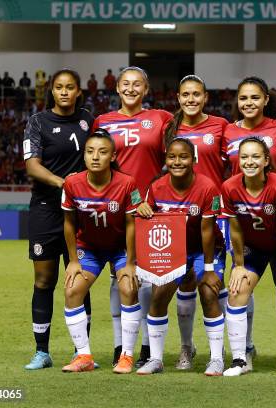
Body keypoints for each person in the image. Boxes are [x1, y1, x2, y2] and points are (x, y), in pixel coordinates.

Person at [93, 66, 173, 368]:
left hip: (152, 209)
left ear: (146, 88)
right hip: (116, 208)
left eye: (137, 84)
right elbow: (95, 160)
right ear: (117, 88)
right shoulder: (102, 122)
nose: (130, 88)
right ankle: (119, 345)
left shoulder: (161, 119)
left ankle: (145, 347)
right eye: (125, 84)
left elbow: (177, 157)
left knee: (148, 281)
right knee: (120, 277)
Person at [135, 138, 226, 376]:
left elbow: (207, 231)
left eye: (183, 156)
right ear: (166, 160)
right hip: (173, 251)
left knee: (208, 291)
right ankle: (156, 359)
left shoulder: (207, 187)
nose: (177, 162)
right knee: (158, 295)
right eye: (172, 157)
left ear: (194, 160)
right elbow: (149, 224)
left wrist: (207, 269)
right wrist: (144, 208)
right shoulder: (156, 187)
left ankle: (217, 358)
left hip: (205, 249)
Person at [22, 69, 94, 370]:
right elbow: (31, 166)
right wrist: (63, 182)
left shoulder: (90, 120)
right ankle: (42, 351)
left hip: (81, 211)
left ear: (78, 91)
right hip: (46, 209)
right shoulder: (37, 122)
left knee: (79, 281)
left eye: (70, 87)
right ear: (51, 91)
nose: (64, 92)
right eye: (59, 87)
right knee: (44, 280)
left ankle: (83, 352)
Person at [223, 76, 276, 371]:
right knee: (240, 287)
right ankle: (245, 350)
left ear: (266, 99)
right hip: (244, 223)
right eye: (243, 98)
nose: (249, 103)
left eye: (255, 97)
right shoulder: (226, 131)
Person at [221, 137, 276, 377]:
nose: (249, 161)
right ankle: (239, 359)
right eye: (244, 157)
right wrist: (238, 265)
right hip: (253, 248)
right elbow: (235, 229)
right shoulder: (229, 187)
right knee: (237, 290)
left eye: (255, 156)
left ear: (266, 160)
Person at [60, 129, 142, 373]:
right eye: (90, 151)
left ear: (113, 156)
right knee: (72, 289)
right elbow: (68, 223)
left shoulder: (128, 183)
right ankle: (83, 356)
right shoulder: (71, 183)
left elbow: (131, 224)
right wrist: (73, 261)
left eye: (102, 152)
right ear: (84, 155)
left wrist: (130, 262)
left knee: (128, 286)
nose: (95, 157)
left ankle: (126, 356)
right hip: (90, 248)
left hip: (119, 249)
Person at [164, 74, 229, 370]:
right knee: (183, 286)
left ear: (205, 97)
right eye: (185, 94)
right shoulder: (169, 129)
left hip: (212, 217)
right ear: (178, 98)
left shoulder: (220, 126)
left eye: (196, 94)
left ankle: (240, 347)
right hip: (176, 218)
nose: (191, 99)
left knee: (217, 286)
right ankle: (186, 349)